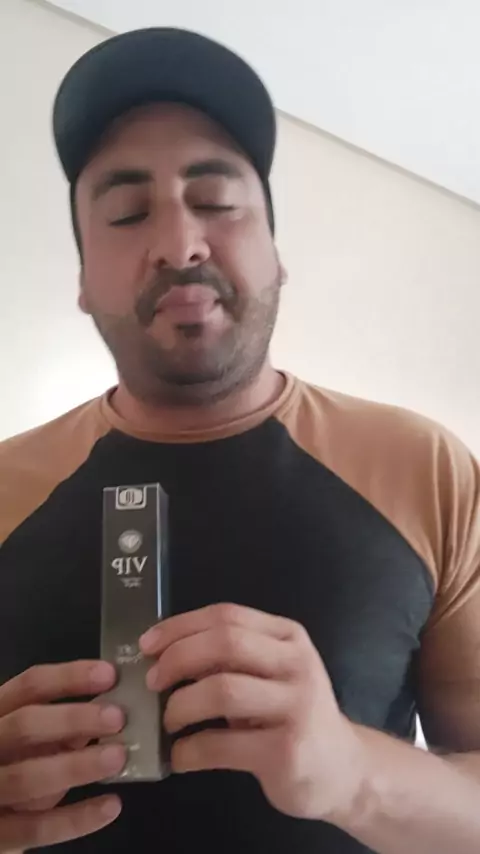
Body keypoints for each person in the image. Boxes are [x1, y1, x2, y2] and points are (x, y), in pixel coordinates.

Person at [0, 26, 479, 854]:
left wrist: (355, 775)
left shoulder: (424, 468)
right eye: (127, 213)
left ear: (275, 254)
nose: (179, 244)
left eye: (218, 202)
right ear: (82, 280)